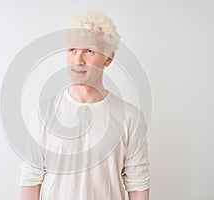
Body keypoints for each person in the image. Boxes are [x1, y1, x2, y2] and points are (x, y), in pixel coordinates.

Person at [20, 9, 150, 200]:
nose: (78, 60)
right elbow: (31, 180)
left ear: (109, 58)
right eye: (72, 50)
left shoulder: (131, 117)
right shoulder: (43, 113)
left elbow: (138, 183)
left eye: (89, 51)